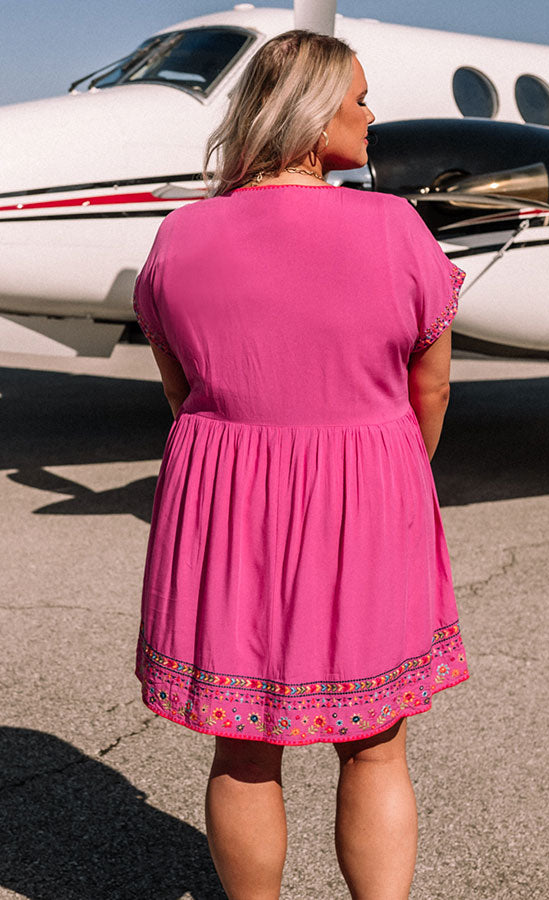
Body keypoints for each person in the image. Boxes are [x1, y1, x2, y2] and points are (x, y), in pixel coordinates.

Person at [133, 29, 469, 900]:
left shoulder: (181, 237)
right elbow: (428, 389)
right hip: (368, 499)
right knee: (376, 741)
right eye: (357, 97)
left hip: (225, 504)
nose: (369, 113)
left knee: (244, 746)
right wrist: (396, 475)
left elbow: (183, 392)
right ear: (314, 115)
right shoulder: (397, 228)